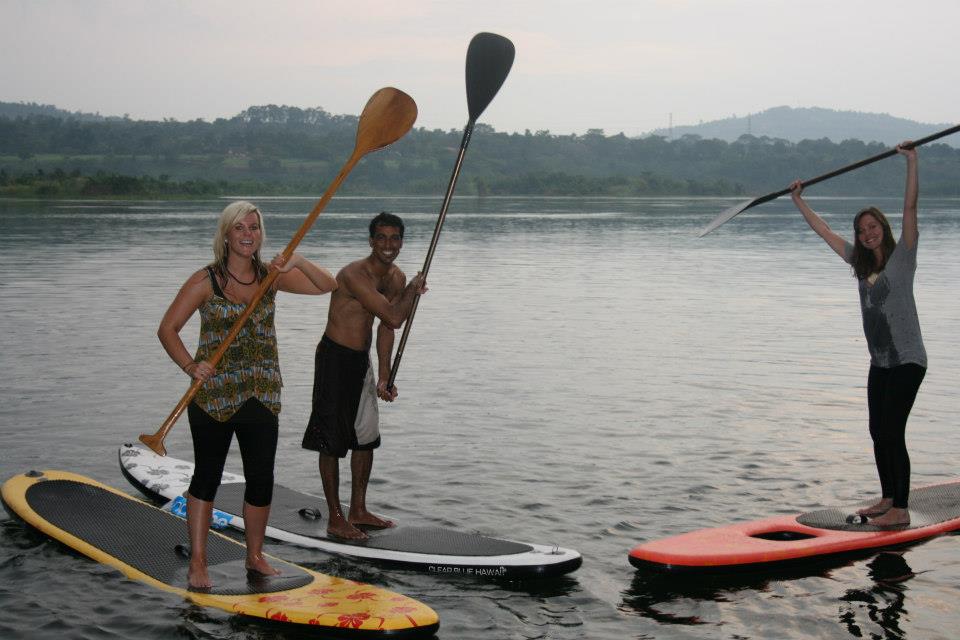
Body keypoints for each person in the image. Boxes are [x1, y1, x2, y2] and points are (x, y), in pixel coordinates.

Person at [158, 200, 337, 589]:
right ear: (226, 234)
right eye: (240, 228)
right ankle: (199, 562)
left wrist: (298, 262)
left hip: (260, 392)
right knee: (206, 478)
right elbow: (167, 329)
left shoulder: (270, 277)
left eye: (254, 228)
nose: (247, 235)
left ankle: (255, 557)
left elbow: (329, 285)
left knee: (261, 479)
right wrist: (191, 366)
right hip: (214, 396)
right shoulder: (205, 280)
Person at [789, 143, 926, 527]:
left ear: (883, 228)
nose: (867, 234)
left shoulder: (904, 259)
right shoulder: (857, 261)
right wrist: (798, 200)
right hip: (880, 361)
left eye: (873, 227)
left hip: (908, 359)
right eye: (862, 230)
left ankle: (900, 509)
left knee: (892, 429)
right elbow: (824, 231)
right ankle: (887, 498)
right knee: (876, 430)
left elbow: (911, 208)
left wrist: (911, 162)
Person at [302, 212, 427, 540]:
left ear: (401, 241)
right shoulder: (354, 274)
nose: (388, 245)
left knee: (366, 437)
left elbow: (387, 328)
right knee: (331, 441)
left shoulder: (396, 278)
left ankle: (358, 509)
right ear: (371, 241)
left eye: (395, 238)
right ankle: (335, 517)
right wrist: (413, 291)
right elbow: (393, 315)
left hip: (361, 361)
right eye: (382, 238)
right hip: (334, 359)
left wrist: (384, 376)